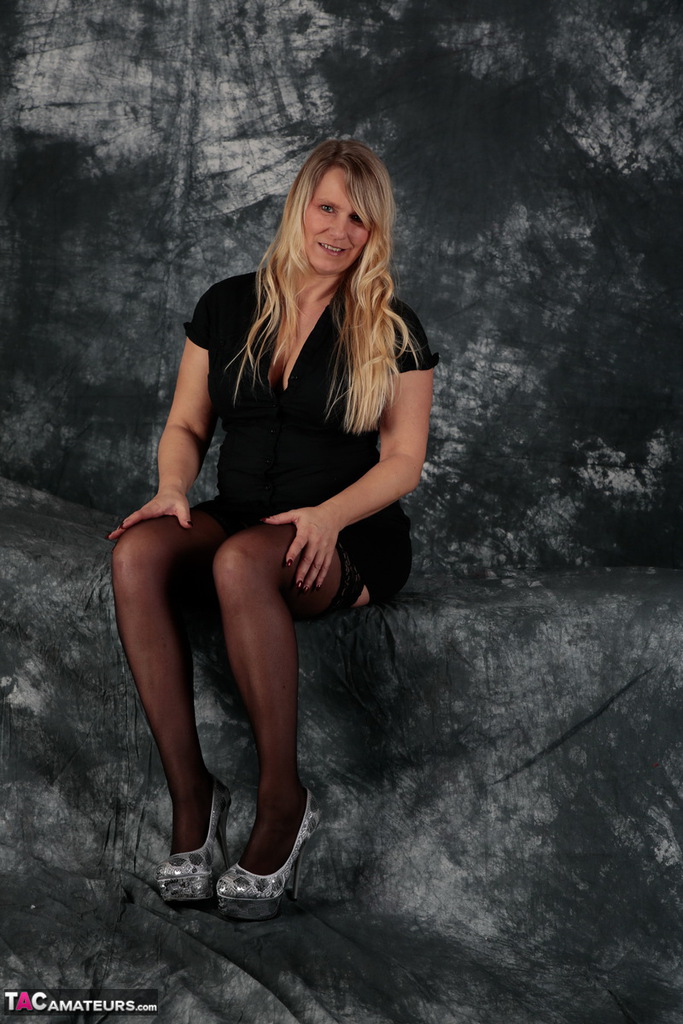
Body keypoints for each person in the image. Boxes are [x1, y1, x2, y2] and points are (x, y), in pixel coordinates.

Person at [108, 138, 437, 921]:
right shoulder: (227, 305)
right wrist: (172, 487)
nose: (338, 230)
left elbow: (403, 461)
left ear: (374, 231)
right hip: (238, 514)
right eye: (327, 208)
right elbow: (187, 423)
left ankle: (282, 802)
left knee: (238, 564)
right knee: (138, 552)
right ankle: (192, 796)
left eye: (357, 219)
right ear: (299, 207)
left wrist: (328, 516)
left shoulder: (390, 324)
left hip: (346, 530)